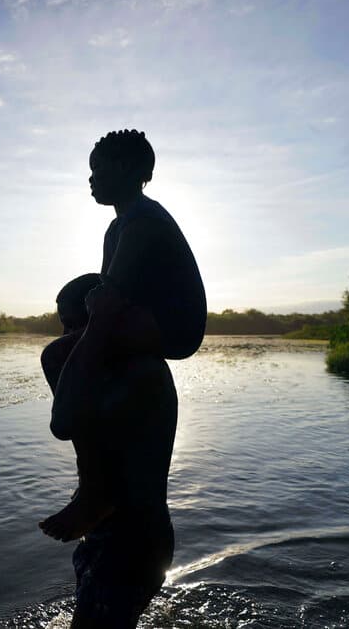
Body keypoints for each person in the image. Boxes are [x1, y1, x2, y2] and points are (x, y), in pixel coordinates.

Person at [39, 129, 207, 627]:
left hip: (170, 329)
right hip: (140, 325)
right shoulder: (118, 228)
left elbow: (107, 301)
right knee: (65, 351)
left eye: (101, 169)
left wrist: (80, 339)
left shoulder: (141, 221)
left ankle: (95, 489)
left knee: (57, 356)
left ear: (134, 173)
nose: (91, 179)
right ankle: (94, 488)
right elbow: (104, 296)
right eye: (90, 169)